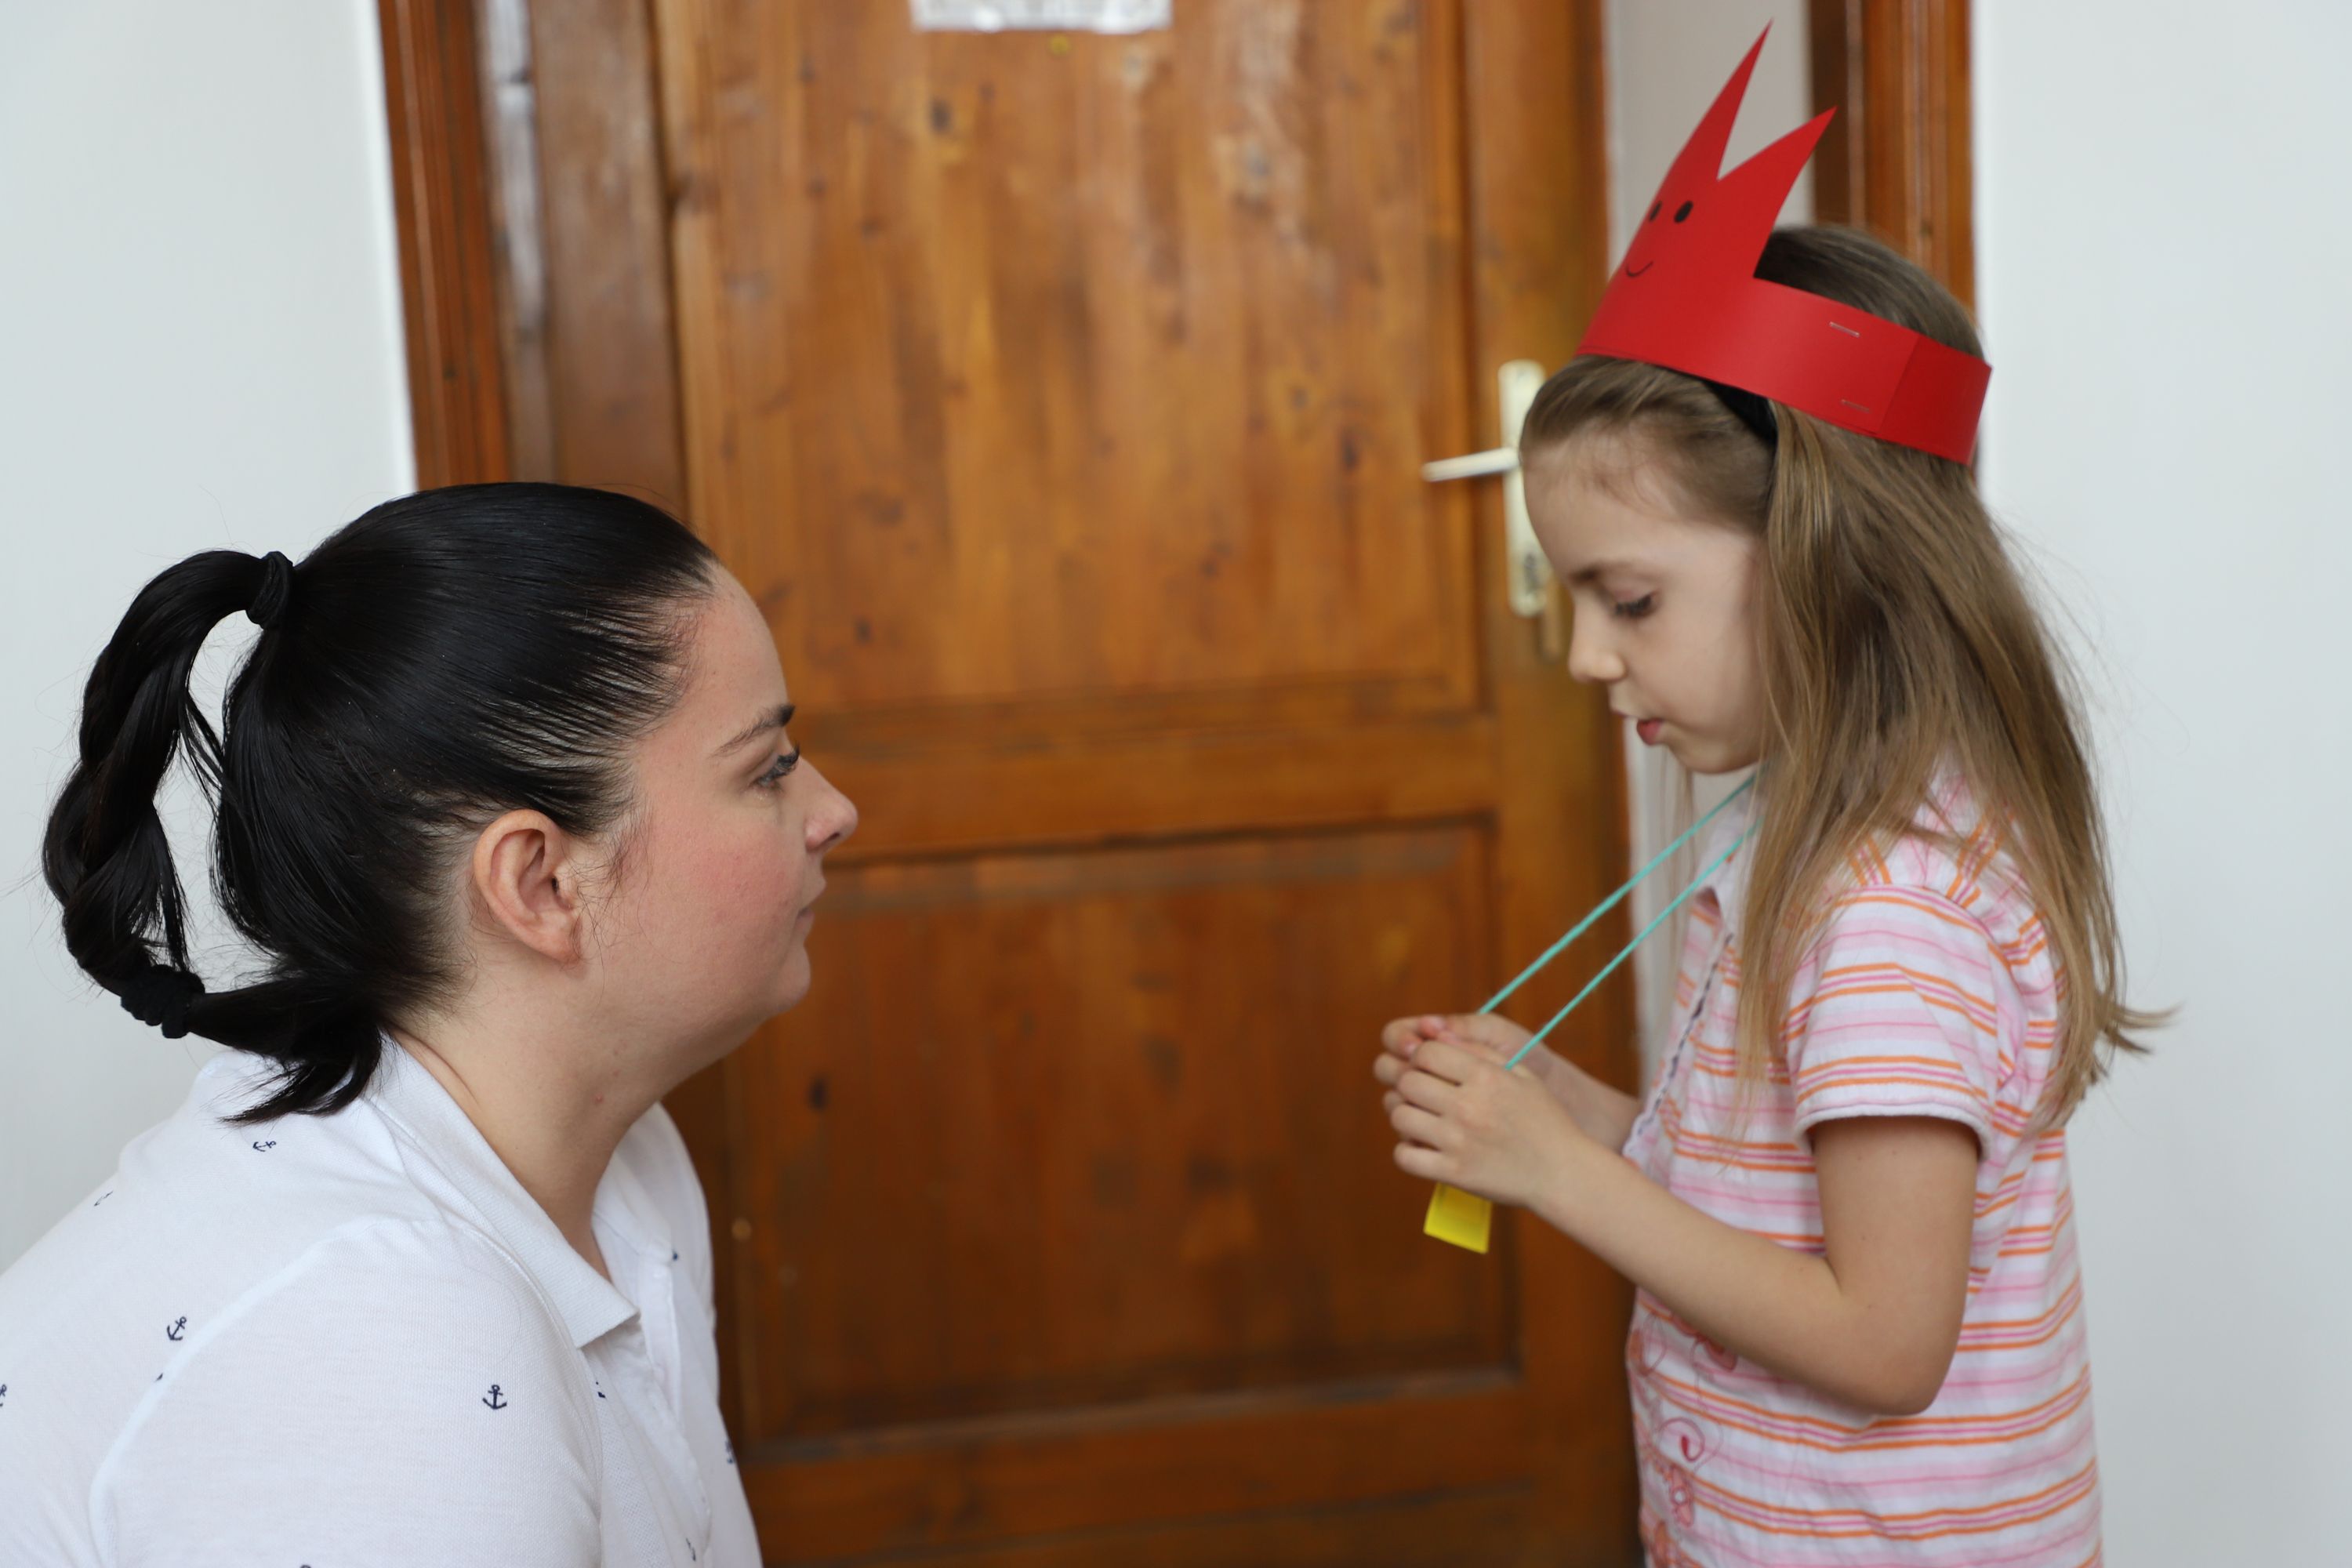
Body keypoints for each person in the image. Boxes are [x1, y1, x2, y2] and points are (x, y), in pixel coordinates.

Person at [1377, 218, 2158, 1567]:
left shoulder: (1884, 918)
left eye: (1629, 601)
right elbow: (1768, 1201)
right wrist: (1574, 1113)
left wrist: (1557, 1172)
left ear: (1826, 561)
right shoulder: (1805, 831)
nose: (1586, 656)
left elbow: (1884, 1340)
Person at [0, 482, 855, 1565]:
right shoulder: (382, 1339)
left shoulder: (627, 1165)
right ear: (541, 883)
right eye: (768, 769)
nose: (834, 811)